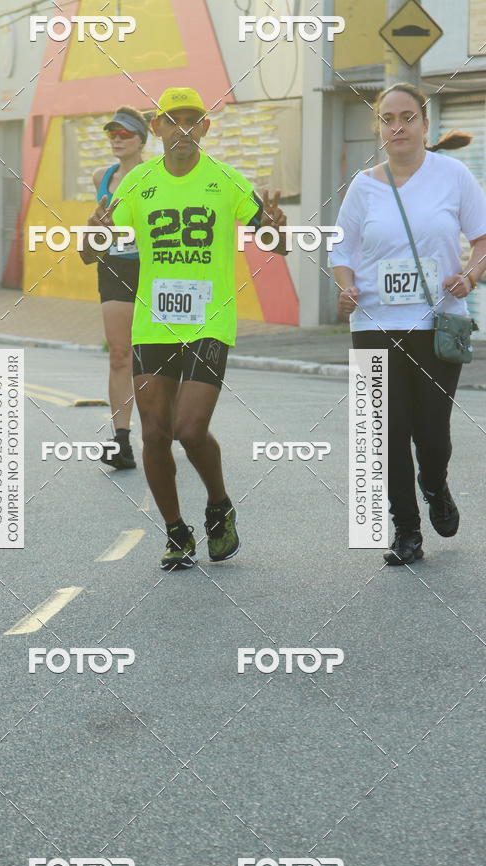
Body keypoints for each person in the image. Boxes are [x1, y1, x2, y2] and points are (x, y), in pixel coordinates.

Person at [87, 87, 288, 570]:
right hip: (153, 323)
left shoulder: (227, 181)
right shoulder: (137, 184)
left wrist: (277, 229)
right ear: (156, 129)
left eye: (191, 121)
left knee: (190, 429)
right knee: (155, 433)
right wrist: (94, 232)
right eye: (171, 121)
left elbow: (275, 245)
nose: (181, 129)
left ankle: (218, 504)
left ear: (204, 129)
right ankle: (177, 532)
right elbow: (92, 252)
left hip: (209, 320)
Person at [332, 82, 486, 565]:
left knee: (432, 432)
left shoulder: (453, 176)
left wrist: (470, 275)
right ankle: (406, 531)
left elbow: (482, 240)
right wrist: (345, 286)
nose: (396, 126)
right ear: (378, 127)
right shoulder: (363, 186)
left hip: (439, 322)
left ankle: (434, 485)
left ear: (424, 123)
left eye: (406, 117)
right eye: (386, 119)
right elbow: (342, 251)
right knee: (385, 432)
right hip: (374, 322)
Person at [79, 106, 150, 469]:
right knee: (120, 353)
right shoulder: (101, 177)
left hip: (153, 267)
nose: (117, 140)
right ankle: (122, 442)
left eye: (125, 134)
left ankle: (163, 431)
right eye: (112, 134)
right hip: (114, 266)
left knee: (156, 355)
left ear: (141, 139)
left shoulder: (157, 175)